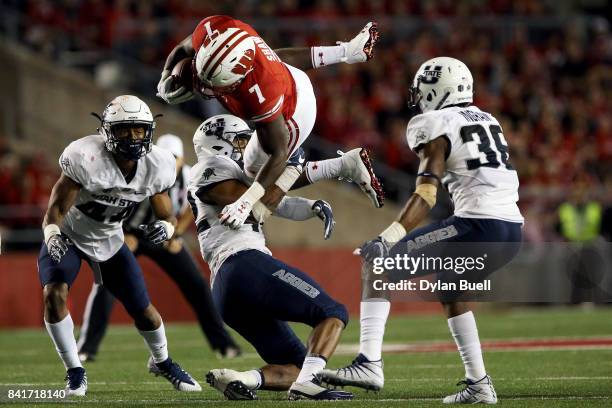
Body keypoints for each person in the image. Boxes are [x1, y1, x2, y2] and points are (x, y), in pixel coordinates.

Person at [319, 57, 524, 404]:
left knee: (378, 264)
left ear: (434, 89)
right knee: (451, 290)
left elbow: (427, 193)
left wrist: (388, 236)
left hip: (477, 225)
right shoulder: (488, 119)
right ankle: (479, 384)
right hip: (512, 230)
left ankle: (369, 362)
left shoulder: (435, 122)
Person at [157, 15, 384, 230]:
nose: (207, 90)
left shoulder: (259, 93)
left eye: (217, 86)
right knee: (272, 58)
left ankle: (340, 165)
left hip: (295, 115)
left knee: (254, 171)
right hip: (289, 75)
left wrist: (246, 201)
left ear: (239, 79)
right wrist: (166, 74)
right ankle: (348, 51)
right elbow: (182, 49)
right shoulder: (213, 28)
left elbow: (278, 152)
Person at [38, 95, 201, 396]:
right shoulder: (84, 156)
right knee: (53, 294)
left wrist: (165, 228)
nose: (133, 137)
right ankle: (75, 371)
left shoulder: (158, 164)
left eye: (139, 130)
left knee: (145, 311)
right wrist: (52, 235)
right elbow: (55, 211)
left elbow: (166, 213)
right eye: (125, 130)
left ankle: (163, 362)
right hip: (71, 235)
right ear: (108, 131)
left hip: (111, 237)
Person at [189, 115, 352, 400]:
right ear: (217, 145)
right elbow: (261, 202)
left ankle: (241, 378)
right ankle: (309, 384)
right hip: (243, 263)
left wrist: (312, 205)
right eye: (240, 141)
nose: (248, 148)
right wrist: (290, 171)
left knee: (300, 366)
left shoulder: (235, 179)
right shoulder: (211, 167)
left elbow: (275, 202)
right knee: (332, 312)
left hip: (228, 289)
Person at [77, 134, 240, 362]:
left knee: (197, 285)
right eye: (165, 157)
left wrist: (177, 234)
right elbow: (115, 204)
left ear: (182, 160)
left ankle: (223, 345)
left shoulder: (191, 176)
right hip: (129, 234)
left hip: (164, 235)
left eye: (174, 158)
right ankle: (86, 348)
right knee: (107, 285)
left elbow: (189, 210)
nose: (170, 162)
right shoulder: (142, 170)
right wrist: (123, 234)